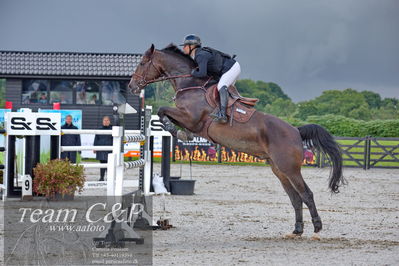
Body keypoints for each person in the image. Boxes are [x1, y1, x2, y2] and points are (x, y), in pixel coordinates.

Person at [180, 34, 241, 123]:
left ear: (192, 46)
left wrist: (192, 72)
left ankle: (223, 115)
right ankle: (229, 112)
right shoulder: (198, 54)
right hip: (228, 69)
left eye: (185, 46)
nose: (183, 48)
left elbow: (202, 73)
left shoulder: (200, 55)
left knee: (221, 86)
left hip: (232, 68)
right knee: (220, 89)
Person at [93, 116, 113, 181]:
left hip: (109, 149)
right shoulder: (99, 129)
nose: (106, 122)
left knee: (109, 164)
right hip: (101, 149)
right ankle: (101, 177)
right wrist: (94, 147)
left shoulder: (112, 129)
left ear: (109, 121)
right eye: (104, 120)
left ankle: (109, 178)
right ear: (102, 121)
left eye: (107, 120)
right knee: (102, 164)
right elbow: (96, 139)